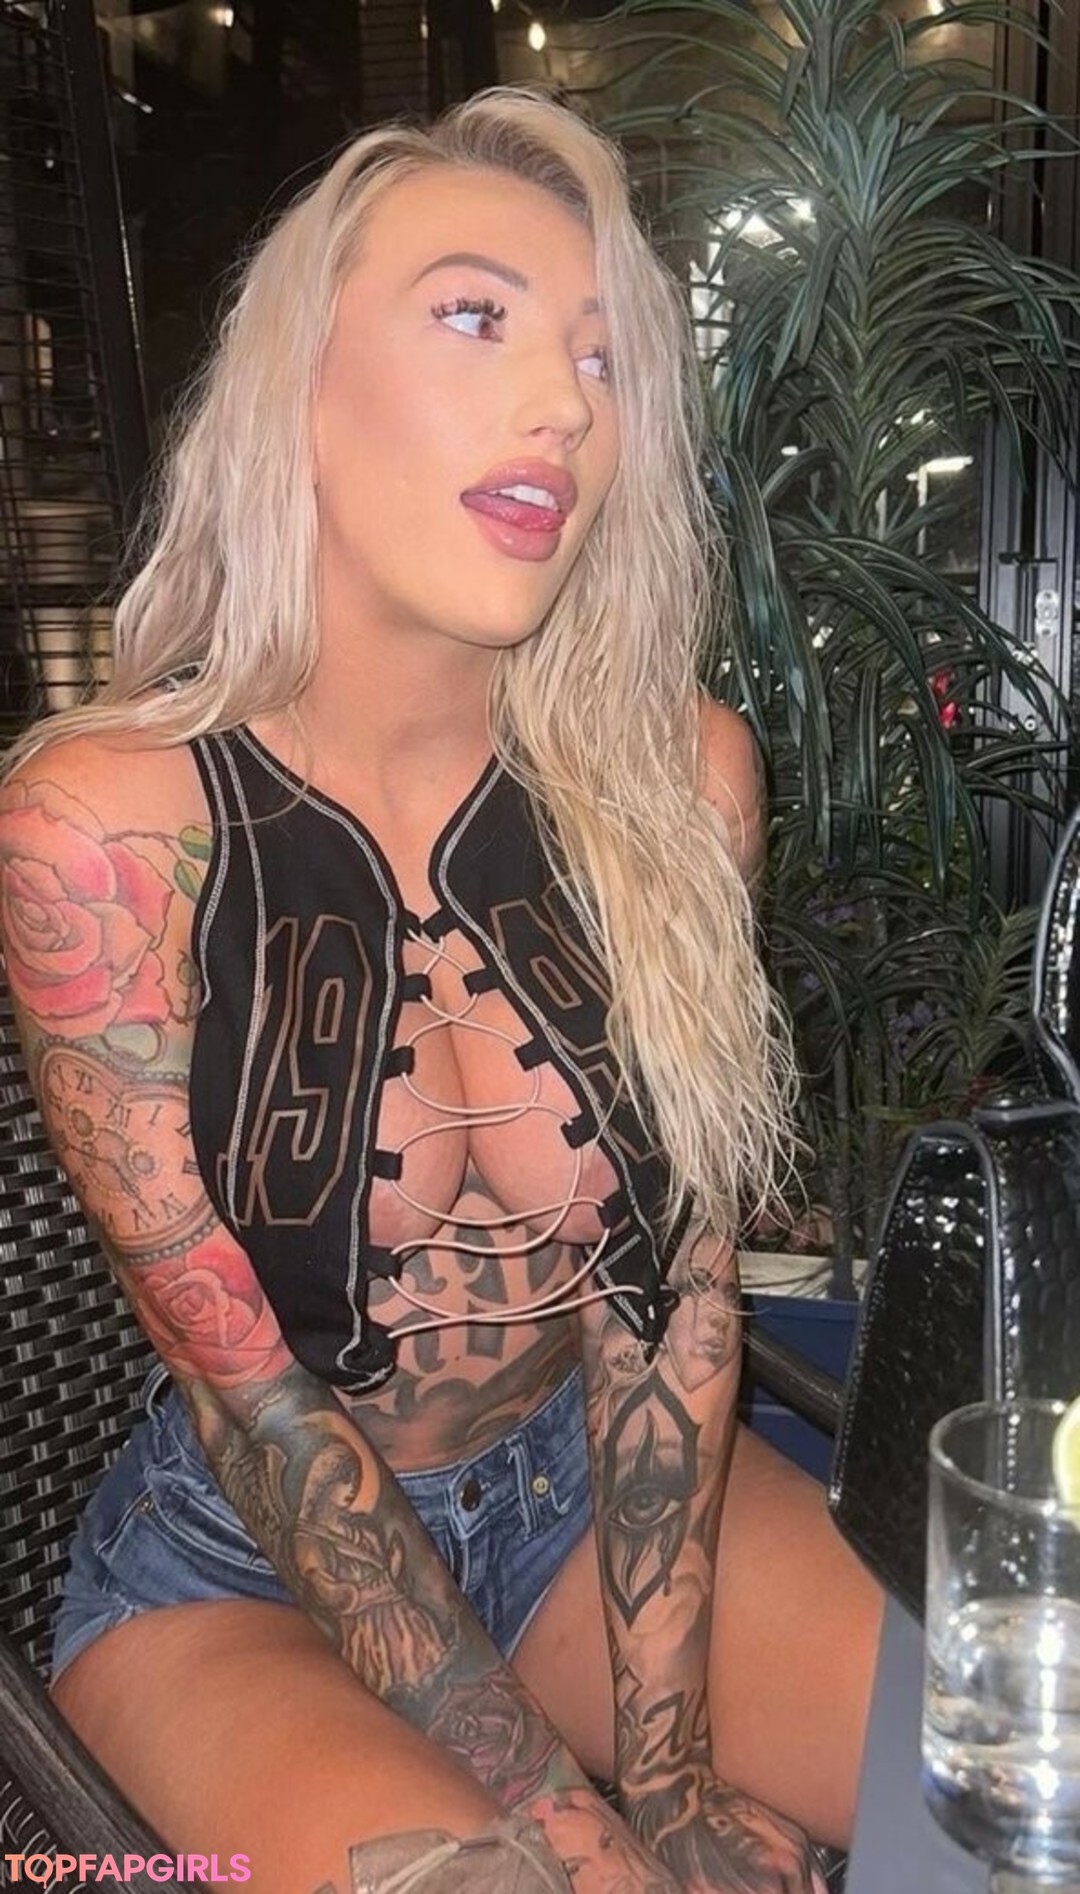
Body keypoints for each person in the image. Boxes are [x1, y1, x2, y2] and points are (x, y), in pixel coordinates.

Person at [0, 86, 881, 1894]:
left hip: (574, 1510)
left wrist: (670, 1771)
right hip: (238, 1570)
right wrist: (579, 1825)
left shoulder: (677, 782)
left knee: (1025, 1742)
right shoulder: (101, 828)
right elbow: (257, 1410)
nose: (564, 401)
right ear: (300, 390)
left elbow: (670, 1301)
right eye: (476, 315)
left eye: (602, 357)